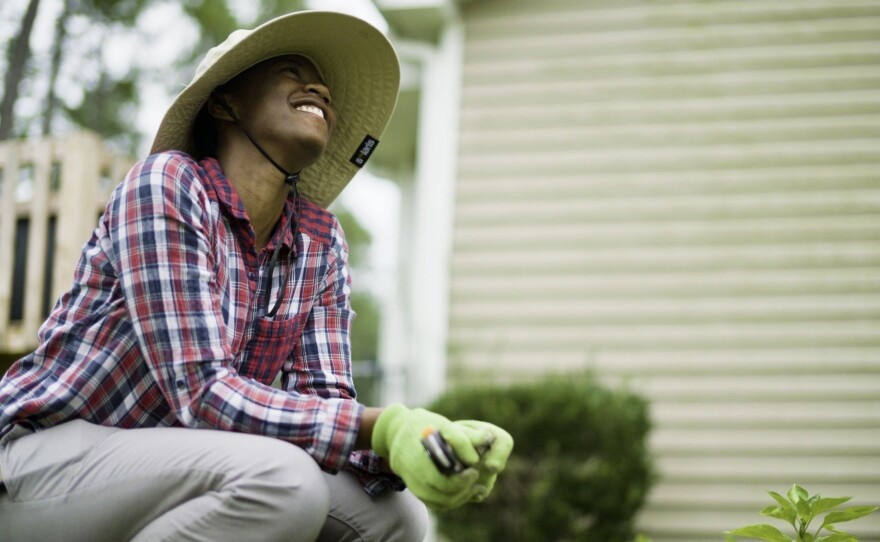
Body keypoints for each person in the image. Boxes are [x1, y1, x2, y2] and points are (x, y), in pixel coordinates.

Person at [0, 11, 513, 542]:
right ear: (225, 102)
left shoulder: (320, 242)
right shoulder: (166, 185)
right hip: (39, 463)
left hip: (179, 462)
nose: (319, 88)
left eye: (323, 85)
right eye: (291, 71)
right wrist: (382, 425)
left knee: (395, 519)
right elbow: (202, 394)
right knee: (283, 482)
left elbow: (327, 400)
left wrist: (426, 441)